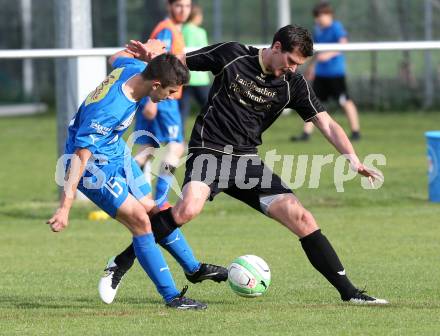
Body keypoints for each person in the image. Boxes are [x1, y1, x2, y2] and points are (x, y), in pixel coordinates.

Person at [103, 25, 388, 305]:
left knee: (303, 219)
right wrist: (149, 57)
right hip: (209, 150)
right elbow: (178, 64)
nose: (292, 68)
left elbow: (325, 122)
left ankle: (349, 293)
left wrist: (352, 158)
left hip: (246, 161)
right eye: (290, 61)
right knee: (187, 210)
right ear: (276, 47)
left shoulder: (294, 85)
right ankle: (121, 263)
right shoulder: (233, 55)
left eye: (298, 64)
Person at [47, 40, 227, 310]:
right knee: (141, 223)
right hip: (93, 169)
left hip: (116, 151)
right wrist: (65, 207)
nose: (172, 98)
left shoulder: (135, 68)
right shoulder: (109, 109)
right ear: (156, 85)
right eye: (171, 91)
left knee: (157, 211)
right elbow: (78, 157)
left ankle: (194, 268)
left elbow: (115, 57)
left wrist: (139, 52)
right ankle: (172, 297)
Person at [134, 0, 191, 210]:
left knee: (147, 148)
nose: (183, 10)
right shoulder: (166, 29)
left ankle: (131, 191)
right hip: (164, 99)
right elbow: (157, 63)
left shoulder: (172, 28)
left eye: (187, 6)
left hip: (159, 96)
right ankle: (160, 201)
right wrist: (151, 99)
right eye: (179, 5)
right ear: (169, 6)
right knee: (175, 147)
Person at [291, 2, 361, 142]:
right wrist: (311, 67)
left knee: (344, 101)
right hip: (321, 74)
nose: (318, 19)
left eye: (321, 16)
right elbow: (315, 52)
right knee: (311, 103)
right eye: (316, 16)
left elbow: (344, 44)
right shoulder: (318, 29)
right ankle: (306, 134)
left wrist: (328, 54)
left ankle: (355, 131)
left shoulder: (336, 27)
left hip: (335, 73)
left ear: (329, 15)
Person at [179, 4, 211, 130]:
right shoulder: (201, 32)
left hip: (184, 77)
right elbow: (206, 51)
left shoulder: (181, 30)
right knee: (211, 108)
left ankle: (178, 138)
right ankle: (214, 134)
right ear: (196, 16)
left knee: (183, 110)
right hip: (200, 78)